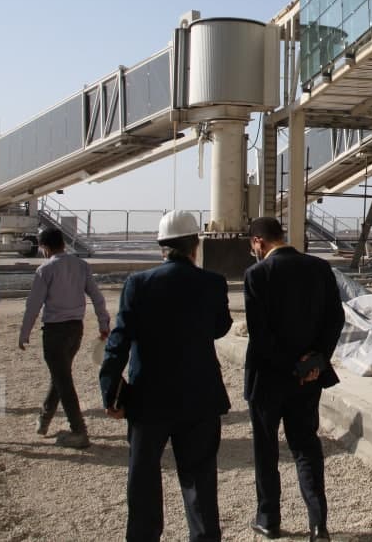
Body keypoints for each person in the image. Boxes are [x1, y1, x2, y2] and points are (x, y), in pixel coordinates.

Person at [99, 210, 231, 542]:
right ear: (195, 245)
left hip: (148, 398)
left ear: (162, 247)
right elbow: (221, 327)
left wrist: (111, 392)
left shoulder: (138, 284)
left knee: (143, 479)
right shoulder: (213, 283)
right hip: (200, 396)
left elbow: (118, 341)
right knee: (200, 480)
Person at [243, 216, 346, 542]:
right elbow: (335, 319)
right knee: (306, 448)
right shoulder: (320, 268)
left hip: (267, 378)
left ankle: (268, 520)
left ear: (258, 242)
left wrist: (290, 365)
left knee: (266, 450)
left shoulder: (257, 274)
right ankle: (318, 525)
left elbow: (260, 334)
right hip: (308, 379)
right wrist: (314, 362)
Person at [19, 227, 110, 449]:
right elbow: (97, 297)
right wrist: (103, 324)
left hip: (54, 331)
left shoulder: (45, 270)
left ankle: (78, 430)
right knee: (60, 375)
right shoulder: (81, 266)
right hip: (75, 330)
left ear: (44, 247)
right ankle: (44, 418)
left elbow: (33, 304)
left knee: (63, 380)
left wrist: (25, 332)